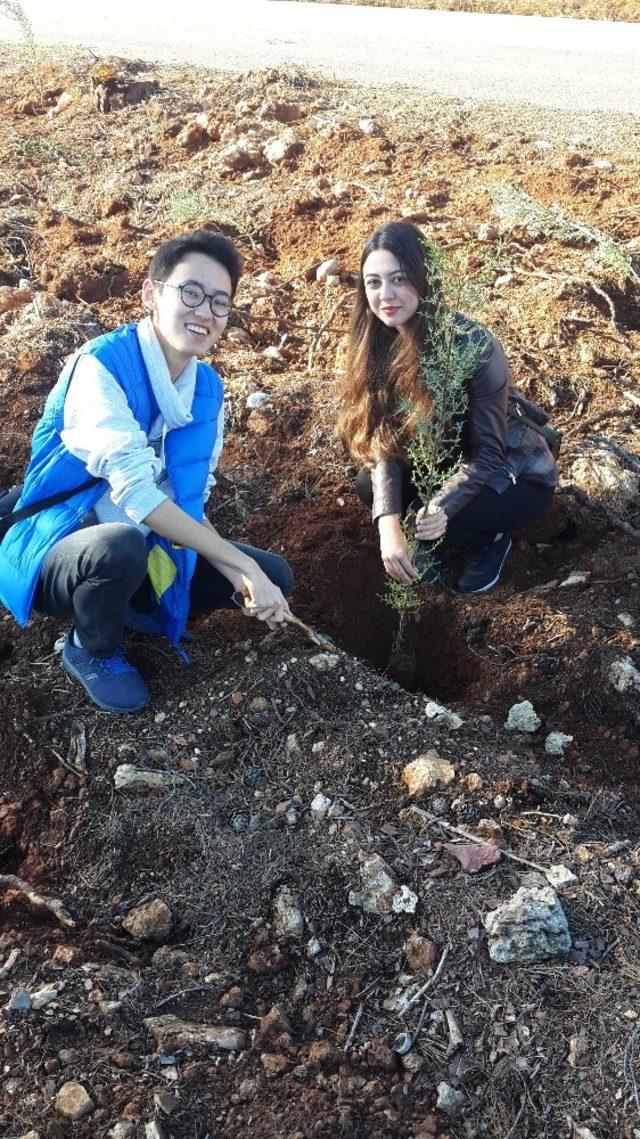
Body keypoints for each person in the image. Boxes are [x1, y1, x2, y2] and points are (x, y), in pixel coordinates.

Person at [0, 230, 293, 713]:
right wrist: (241, 566)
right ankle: (90, 647)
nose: (205, 312)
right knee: (118, 546)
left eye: (220, 302)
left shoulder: (205, 392)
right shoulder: (102, 367)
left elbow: (186, 504)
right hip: (62, 538)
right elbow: (138, 496)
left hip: (145, 540)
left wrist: (250, 572)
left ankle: (136, 606)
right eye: (191, 293)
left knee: (275, 575)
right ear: (151, 293)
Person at [338, 221, 558, 594]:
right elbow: (384, 439)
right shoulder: (377, 342)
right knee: (370, 489)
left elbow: (487, 452)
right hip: (442, 462)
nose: (386, 294)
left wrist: (441, 507)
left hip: (509, 475)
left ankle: (488, 541)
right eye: (373, 282)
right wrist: (388, 523)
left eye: (399, 279)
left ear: (424, 280)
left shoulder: (474, 347)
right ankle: (435, 533)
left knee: (438, 519)